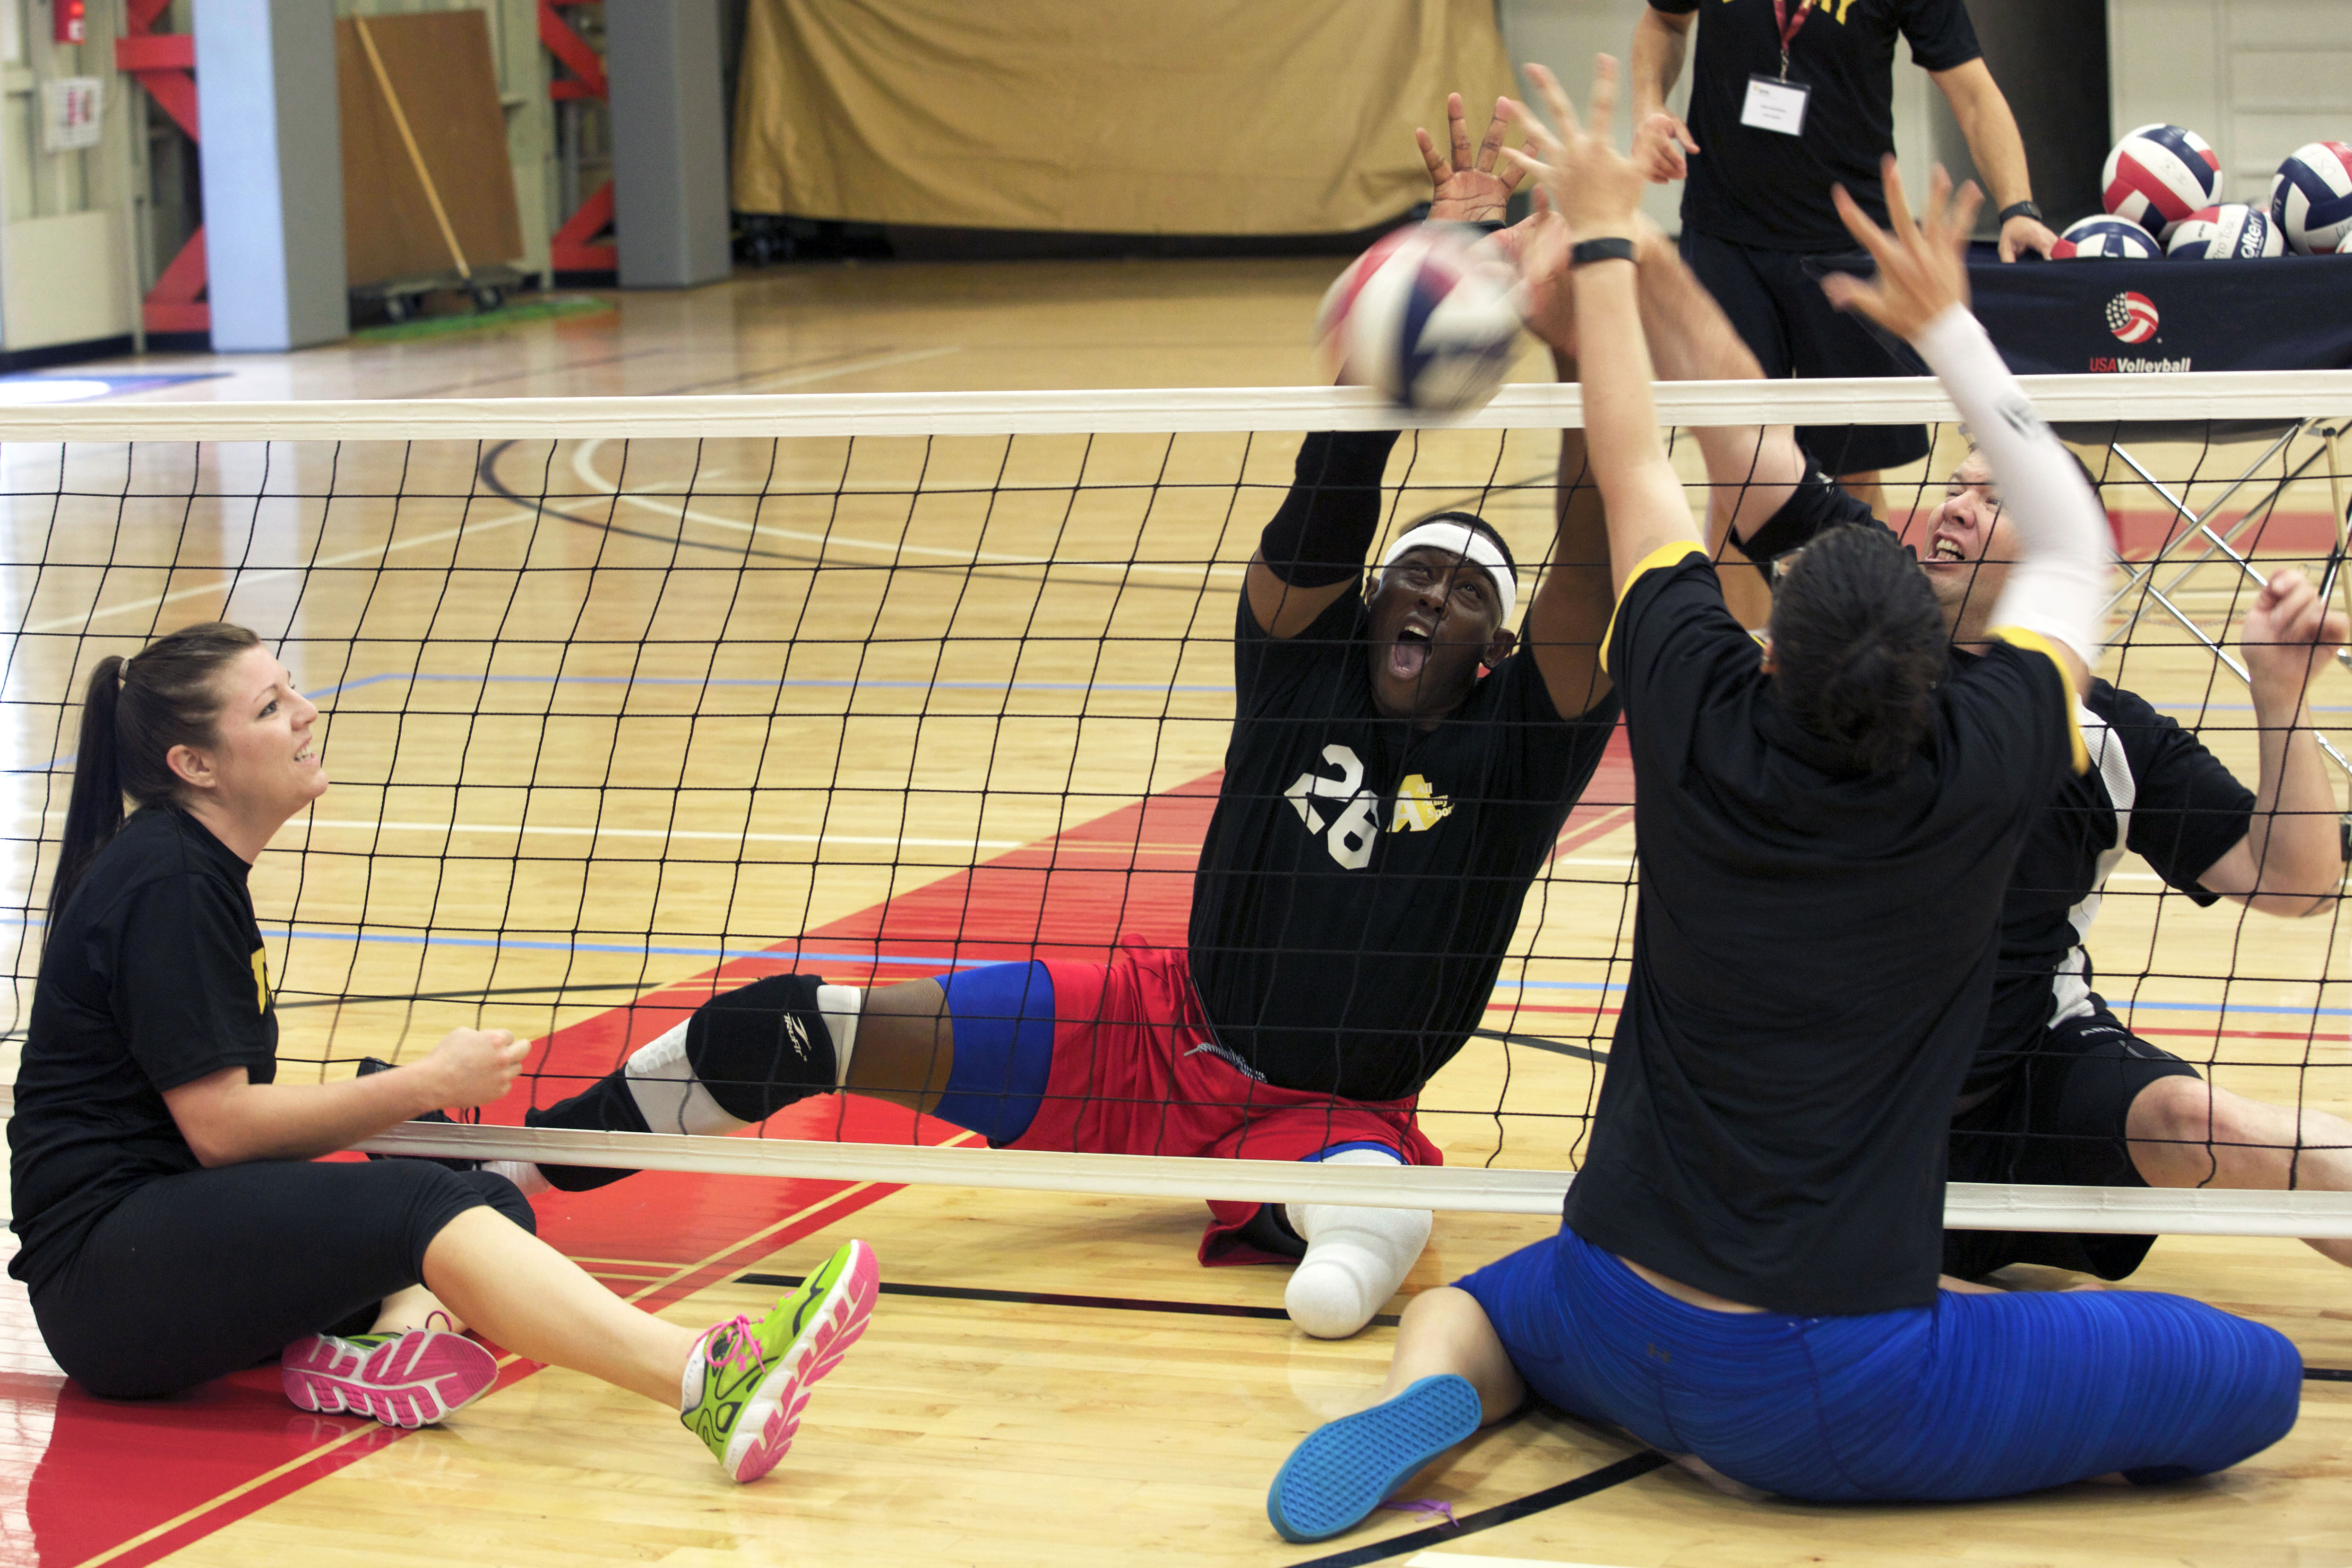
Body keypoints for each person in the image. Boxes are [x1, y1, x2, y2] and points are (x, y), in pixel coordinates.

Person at [1261, 61, 2300, 1543]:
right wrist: (1947, 321)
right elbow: (2077, 537)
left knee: (1487, 1313)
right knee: (2250, 1380)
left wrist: (1606, 243)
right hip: (1832, 1383)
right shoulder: (1999, 750)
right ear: (1950, 674)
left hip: (1608, 1294)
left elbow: (1640, 461)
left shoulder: (1695, 697)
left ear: (1771, 646)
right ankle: (1946, 1310)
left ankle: (1435, 1400)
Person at [7, 623, 877, 1483]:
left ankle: (371, 1349)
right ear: (194, 765)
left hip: (159, 1246)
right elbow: (223, 1130)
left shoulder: (191, 869)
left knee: (486, 1200)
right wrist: (428, 1082)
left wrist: (402, 1109)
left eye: (291, 689)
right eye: (271, 707)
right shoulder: (170, 880)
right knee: (419, 1196)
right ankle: (705, 1375)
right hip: (108, 1278)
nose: (307, 712)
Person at [1921, 465, 2352, 1281]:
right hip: (1850, 1096)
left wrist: (2280, 695)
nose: (1953, 507)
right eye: (1953, 487)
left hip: (2027, 1083)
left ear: (2057, 553)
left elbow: (2293, 880)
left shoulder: (2109, 734)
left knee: (2194, 1118)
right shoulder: (1844, 685)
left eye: (1995, 498)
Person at [1629, 0, 2059, 516]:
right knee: (1739, 470)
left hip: (1848, 253)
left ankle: (1856, 596)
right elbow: (1665, 22)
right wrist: (1649, 107)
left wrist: (2019, 206)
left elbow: (1972, 93)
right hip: (1724, 239)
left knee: (1853, 472)